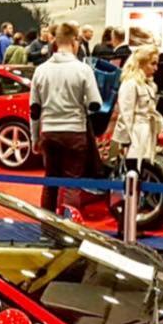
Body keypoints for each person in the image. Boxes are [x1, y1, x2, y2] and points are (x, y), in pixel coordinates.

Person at [30, 21, 101, 215]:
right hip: (75, 133)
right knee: (71, 184)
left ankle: (46, 226)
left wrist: (35, 138)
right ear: (74, 42)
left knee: (50, 182)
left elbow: (34, 110)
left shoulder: (40, 70)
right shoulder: (83, 70)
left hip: (50, 133)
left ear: (55, 42)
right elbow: (95, 103)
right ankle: (70, 228)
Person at [110, 45, 163, 178]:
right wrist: (125, 142)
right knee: (132, 174)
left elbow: (152, 111)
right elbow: (125, 115)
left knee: (143, 172)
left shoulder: (149, 85)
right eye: (153, 63)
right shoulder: (130, 83)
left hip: (147, 133)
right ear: (141, 63)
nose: (156, 68)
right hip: (135, 136)